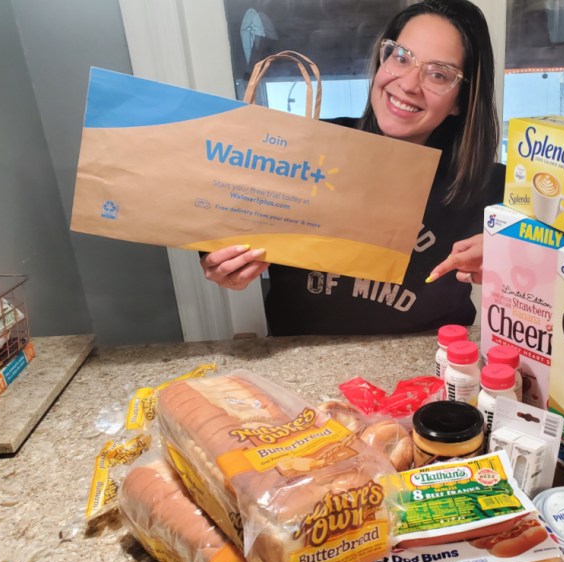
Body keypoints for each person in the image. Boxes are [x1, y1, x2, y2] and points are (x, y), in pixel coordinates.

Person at [201, 0, 505, 335]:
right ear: (381, 61)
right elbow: (217, 214)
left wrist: (511, 258)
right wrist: (220, 259)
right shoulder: (306, 150)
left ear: (460, 100)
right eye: (401, 57)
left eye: (437, 74)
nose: (408, 83)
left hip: (430, 371)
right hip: (302, 366)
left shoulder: (486, 186)